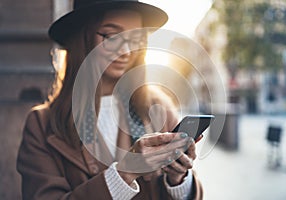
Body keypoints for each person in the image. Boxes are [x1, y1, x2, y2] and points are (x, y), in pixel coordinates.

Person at [17, 0, 204, 199]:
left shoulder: (159, 107)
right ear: (83, 37)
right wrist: (125, 173)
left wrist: (179, 180)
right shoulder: (41, 124)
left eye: (135, 38)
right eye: (112, 36)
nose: (126, 50)